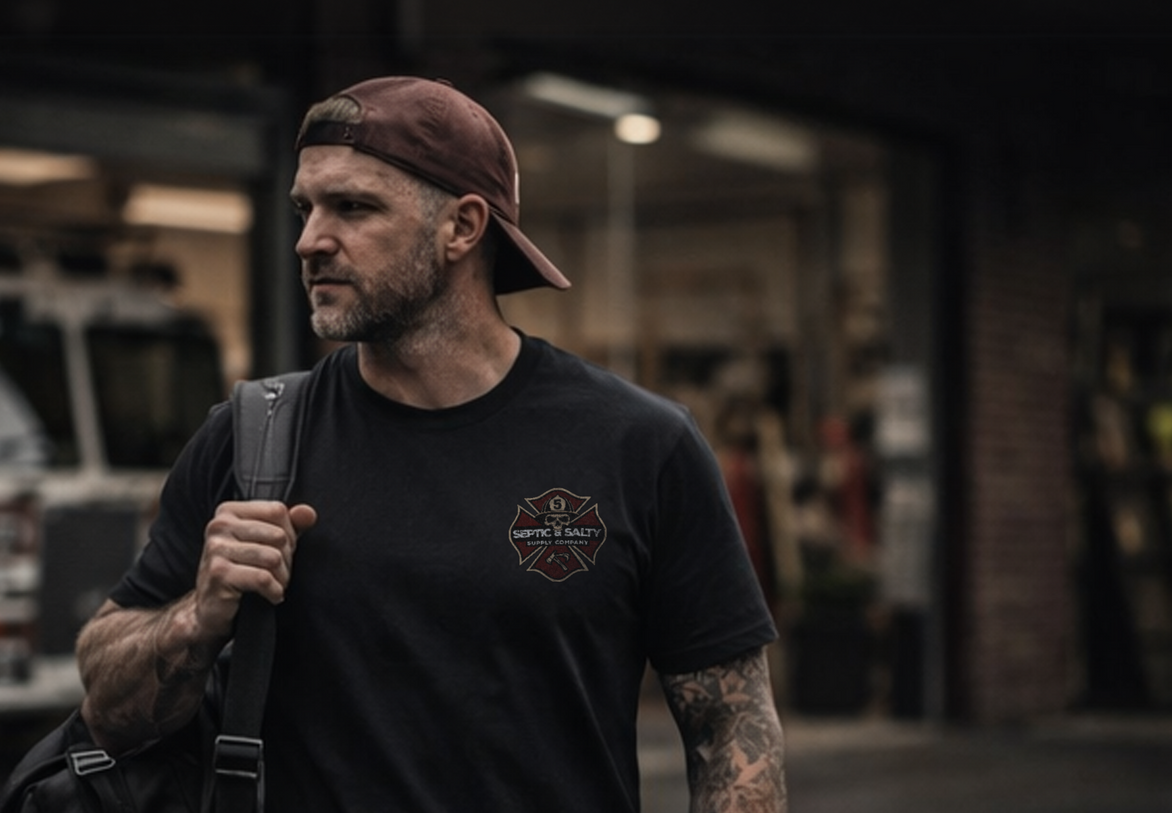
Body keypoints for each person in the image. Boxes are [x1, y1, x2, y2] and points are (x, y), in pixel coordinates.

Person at [76, 75, 787, 812]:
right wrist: (196, 617)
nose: (310, 240)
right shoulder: (252, 438)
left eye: (352, 207)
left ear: (462, 226)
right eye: (305, 208)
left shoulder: (639, 444)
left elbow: (731, 722)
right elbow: (106, 705)